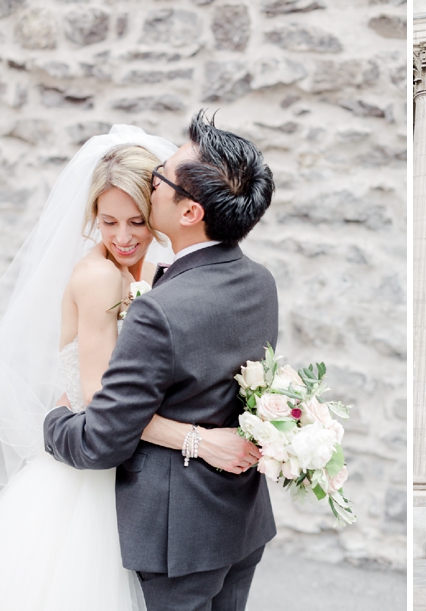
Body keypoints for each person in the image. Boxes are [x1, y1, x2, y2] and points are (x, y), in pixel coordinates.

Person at [0, 128, 262, 611]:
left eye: (138, 221)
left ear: (162, 213)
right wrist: (200, 440)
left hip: (144, 473)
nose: (123, 238)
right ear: (92, 219)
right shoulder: (99, 277)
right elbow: (101, 406)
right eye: (108, 222)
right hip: (93, 475)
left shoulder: (163, 273)